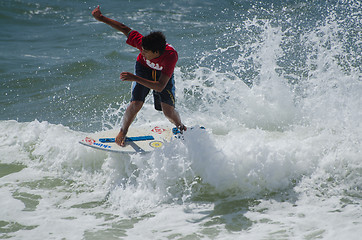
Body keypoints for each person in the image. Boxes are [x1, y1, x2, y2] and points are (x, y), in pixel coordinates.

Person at [92, 6, 186, 146]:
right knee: (136, 103)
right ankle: (123, 131)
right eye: (141, 49)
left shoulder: (170, 57)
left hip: (162, 74)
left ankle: (181, 127)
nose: (142, 52)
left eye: (145, 51)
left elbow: (160, 86)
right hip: (143, 69)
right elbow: (124, 28)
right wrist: (101, 18)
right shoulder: (143, 43)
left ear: (156, 52)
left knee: (167, 110)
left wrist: (134, 78)